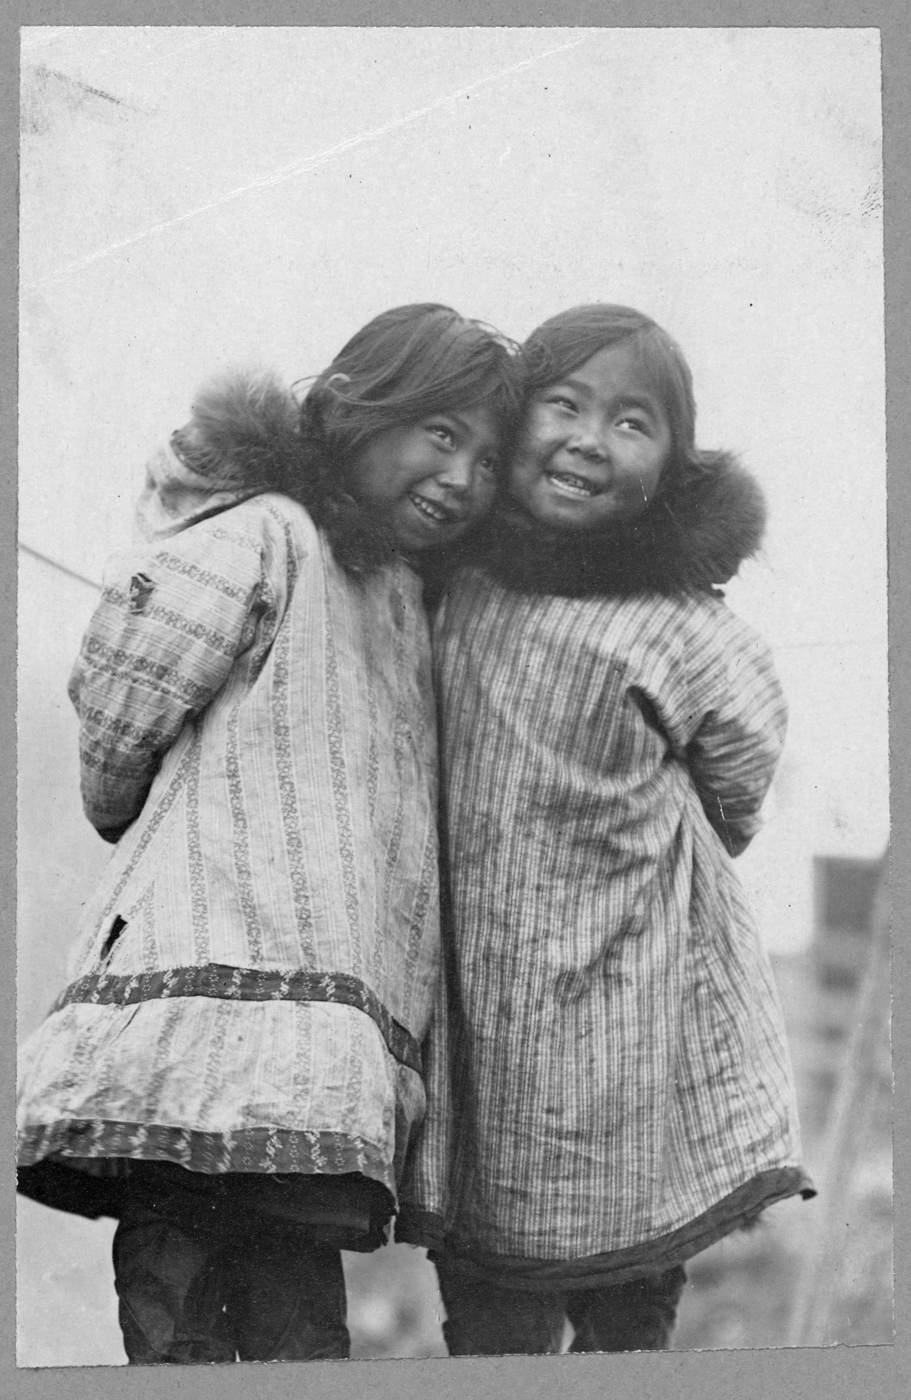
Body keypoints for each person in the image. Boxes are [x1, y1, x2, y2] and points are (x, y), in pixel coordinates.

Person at [17, 303, 523, 1364]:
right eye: (441, 433)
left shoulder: (401, 601)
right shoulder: (270, 532)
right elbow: (129, 684)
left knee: (299, 1325)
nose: (461, 476)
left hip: (309, 1069)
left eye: (486, 458)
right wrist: (124, 802)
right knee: (178, 1308)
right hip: (200, 1007)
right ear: (356, 406)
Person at [398, 303, 814, 1355]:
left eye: (631, 422)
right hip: (490, 1009)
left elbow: (741, 764)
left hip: (633, 999)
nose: (589, 439)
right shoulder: (454, 582)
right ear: (514, 421)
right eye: (564, 405)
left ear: (670, 464)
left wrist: (658, 838)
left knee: (629, 1312)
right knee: (492, 1318)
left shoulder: (676, 621)